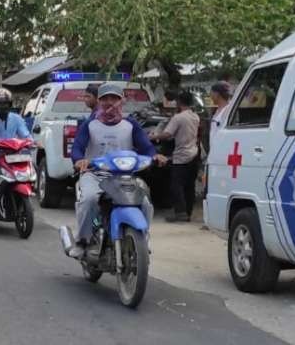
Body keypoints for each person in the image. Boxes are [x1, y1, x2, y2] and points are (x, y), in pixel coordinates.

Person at [68, 84, 156, 258]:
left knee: (145, 202)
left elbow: (147, 147)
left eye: (114, 98)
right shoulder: (90, 125)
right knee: (89, 199)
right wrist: (79, 160)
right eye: (105, 99)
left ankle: (142, 238)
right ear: (99, 101)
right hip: (95, 175)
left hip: (125, 176)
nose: (110, 102)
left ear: (121, 100)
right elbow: (77, 147)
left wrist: (154, 156)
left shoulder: (130, 125)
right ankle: (82, 240)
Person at [151, 90, 201, 222]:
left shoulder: (178, 118)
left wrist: (154, 136)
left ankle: (180, 213)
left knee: (176, 185)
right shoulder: (195, 116)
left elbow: (167, 134)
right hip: (194, 153)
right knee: (190, 186)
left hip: (181, 155)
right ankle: (188, 212)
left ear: (179, 102)